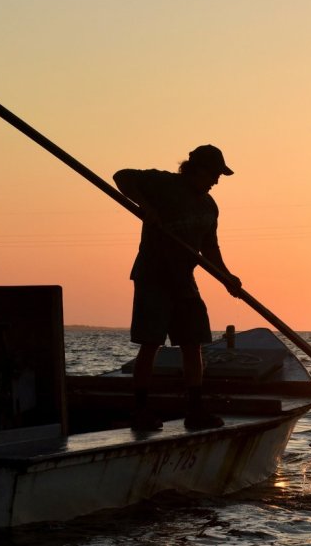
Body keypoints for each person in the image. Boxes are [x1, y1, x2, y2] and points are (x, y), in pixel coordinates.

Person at [113, 144, 242, 431]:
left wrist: (227, 278)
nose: (216, 181)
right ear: (196, 169)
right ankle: (141, 410)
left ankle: (195, 412)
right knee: (151, 343)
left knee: (193, 343)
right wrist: (145, 207)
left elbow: (210, 249)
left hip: (184, 279)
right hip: (153, 275)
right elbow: (121, 176)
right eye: (213, 174)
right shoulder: (164, 184)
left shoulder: (209, 207)